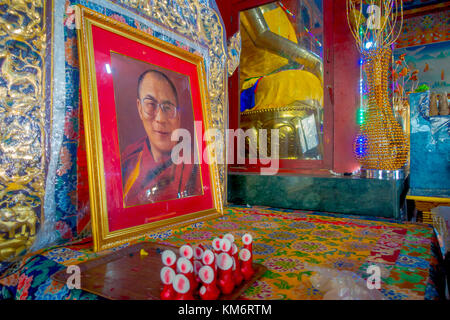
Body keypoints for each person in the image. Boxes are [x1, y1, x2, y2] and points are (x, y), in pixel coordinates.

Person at [121, 69, 202, 207]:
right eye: (150, 105)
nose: (160, 118)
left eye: (168, 107)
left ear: (179, 116)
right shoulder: (128, 159)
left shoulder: (195, 170)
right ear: (140, 109)